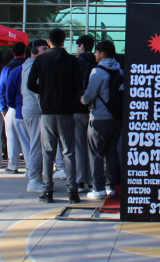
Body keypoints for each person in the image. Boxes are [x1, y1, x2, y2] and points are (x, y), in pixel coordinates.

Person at [27, 27, 84, 204]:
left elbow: (30, 84)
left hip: (47, 111)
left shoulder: (41, 60)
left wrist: (43, 92)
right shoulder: (72, 61)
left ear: (49, 42)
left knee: (48, 152)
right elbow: (78, 85)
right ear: (63, 42)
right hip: (67, 111)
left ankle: (47, 190)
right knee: (68, 152)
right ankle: (73, 191)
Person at [82, 39, 123, 200]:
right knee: (112, 152)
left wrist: (83, 100)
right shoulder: (120, 70)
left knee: (96, 153)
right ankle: (110, 186)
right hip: (116, 117)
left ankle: (98, 188)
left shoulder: (97, 72)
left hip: (99, 118)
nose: (94, 54)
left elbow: (90, 94)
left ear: (102, 54)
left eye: (96, 52)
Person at [20, 39, 49, 192]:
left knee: (35, 145)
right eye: (44, 48)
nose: (47, 51)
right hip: (36, 110)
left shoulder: (26, 66)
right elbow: (37, 92)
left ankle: (34, 175)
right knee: (37, 146)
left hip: (29, 108)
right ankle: (34, 179)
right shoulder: (34, 67)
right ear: (34, 51)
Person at [0, 41, 27, 174]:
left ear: (12, 52)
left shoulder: (9, 68)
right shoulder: (29, 66)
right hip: (28, 106)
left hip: (13, 106)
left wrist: (4, 107)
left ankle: (13, 164)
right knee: (29, 140)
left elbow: (3, 89)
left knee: (11, 137)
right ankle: (30, 165)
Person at [75, 34, 97, 192]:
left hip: (77, 109)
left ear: (81, 46)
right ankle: (92, 180)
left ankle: (80, 180)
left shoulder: (76, 62)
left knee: (78, 146)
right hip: (94, 109)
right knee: (92, 147)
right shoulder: (97, 62)